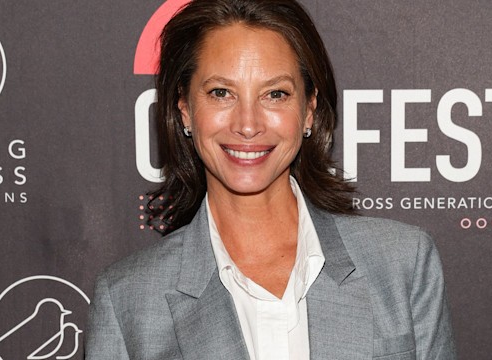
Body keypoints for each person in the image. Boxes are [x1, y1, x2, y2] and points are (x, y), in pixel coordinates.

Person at [86, 0, 457, 359]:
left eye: (275, 94)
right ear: (185, 109)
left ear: (309, 109)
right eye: (221, 93)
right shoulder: (127, 301)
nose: (247, 124)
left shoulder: (402, 264)